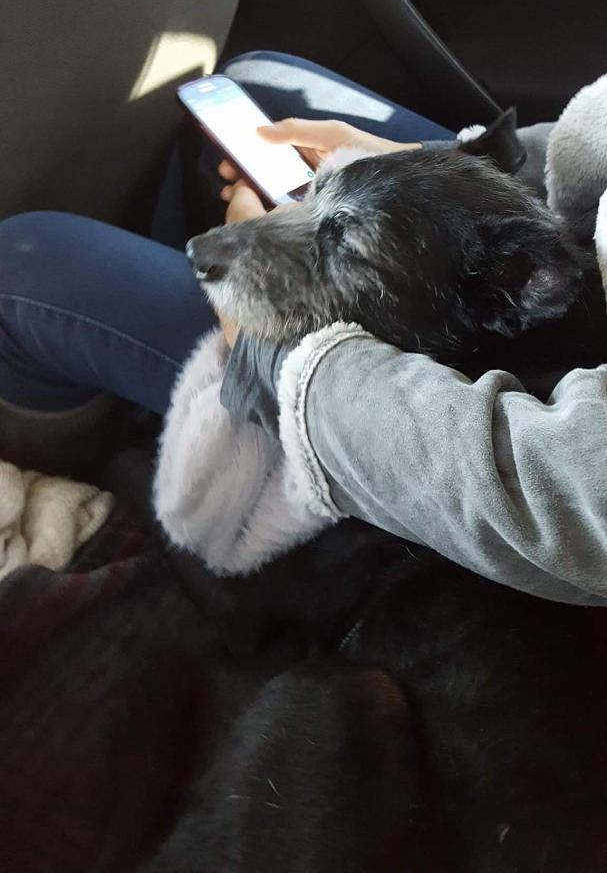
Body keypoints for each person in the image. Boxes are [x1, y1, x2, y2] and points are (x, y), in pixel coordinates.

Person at [1, 51, 605, 604]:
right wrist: (434, 168)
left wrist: (269, 357)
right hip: (574, 212)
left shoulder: (523, 283)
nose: (214, 244)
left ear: (515, 284)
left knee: (21, 265)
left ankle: (103, 445)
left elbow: (573, 495)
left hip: (416, 414)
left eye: (350, 251)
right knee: (251, 83)